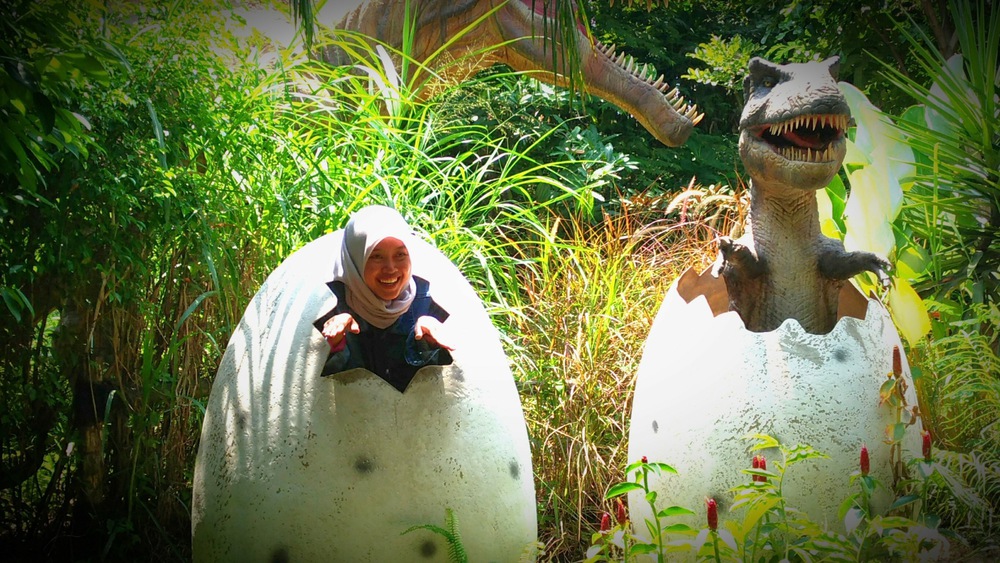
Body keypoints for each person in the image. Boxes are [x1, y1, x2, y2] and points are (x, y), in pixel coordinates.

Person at [313, 205, 454, 392]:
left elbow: (442, 390)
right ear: (356, 258)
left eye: (400, 255)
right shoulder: (326, 305)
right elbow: (319, 389)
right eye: (376, 256)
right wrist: (337, 344)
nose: (391, 268)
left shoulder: (429, 300)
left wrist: (427, 343)